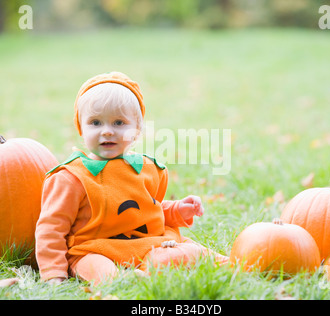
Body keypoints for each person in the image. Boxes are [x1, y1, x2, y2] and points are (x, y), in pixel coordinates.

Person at [35, 72, 227, 285]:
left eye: (118, 122)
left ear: (137, 130)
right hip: (93, 250)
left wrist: (177, 210)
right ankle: (125, 281)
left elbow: (144, 210)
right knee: (100, 269)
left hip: (145, 245)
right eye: (96, 122)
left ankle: (238, 263)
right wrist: (54, 273)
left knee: (180, 253)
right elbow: (51, 228)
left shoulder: (146, 169)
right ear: (81, 127)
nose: (107, 131)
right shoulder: (71, 178)